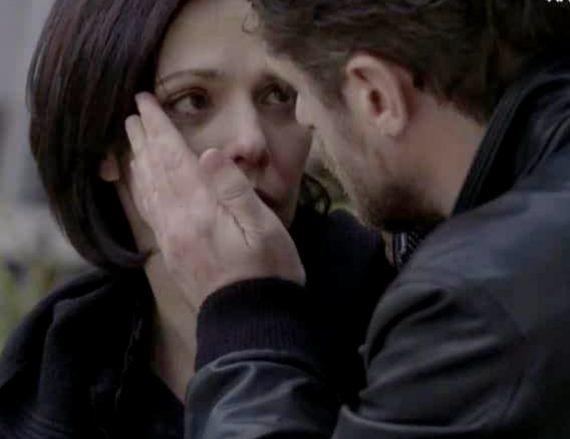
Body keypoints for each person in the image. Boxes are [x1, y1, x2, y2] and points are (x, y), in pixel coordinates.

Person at [120, 0, 570, 437]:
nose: (301, 120)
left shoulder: (471, 307)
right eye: (193, 100)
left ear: (376, 95)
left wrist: (247, 317)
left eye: (288, 92)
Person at [0, 0, 393, 437]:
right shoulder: (51, 378)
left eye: (279, 95)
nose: (251, 141)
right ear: (106, 143)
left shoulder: (403, 325)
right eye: (193, 101)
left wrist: (249, 310)